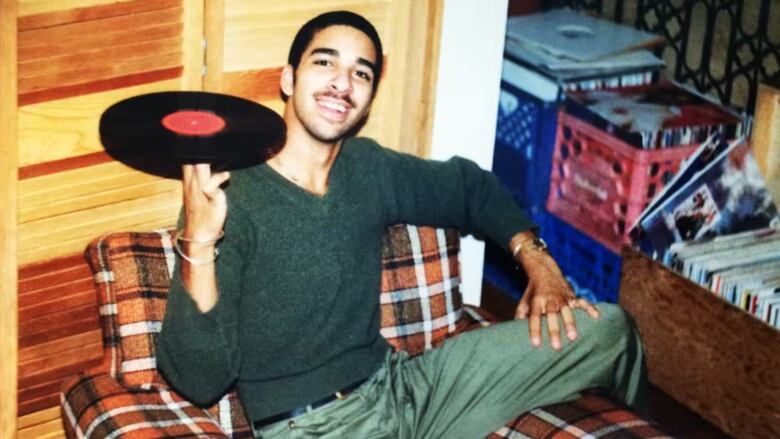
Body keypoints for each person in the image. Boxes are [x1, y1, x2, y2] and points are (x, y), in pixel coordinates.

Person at [156, 10, 646, 439]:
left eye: (360, 73)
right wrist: (198, 241)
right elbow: (199, 379)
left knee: (611, 329)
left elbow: (469, 188)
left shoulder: (368, 167)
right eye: (324, 62)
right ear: (288, 78)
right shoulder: (228, 194)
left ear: (368, 99)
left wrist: (538, 262)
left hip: (408, 387)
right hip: (307, 425)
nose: (342, 84)